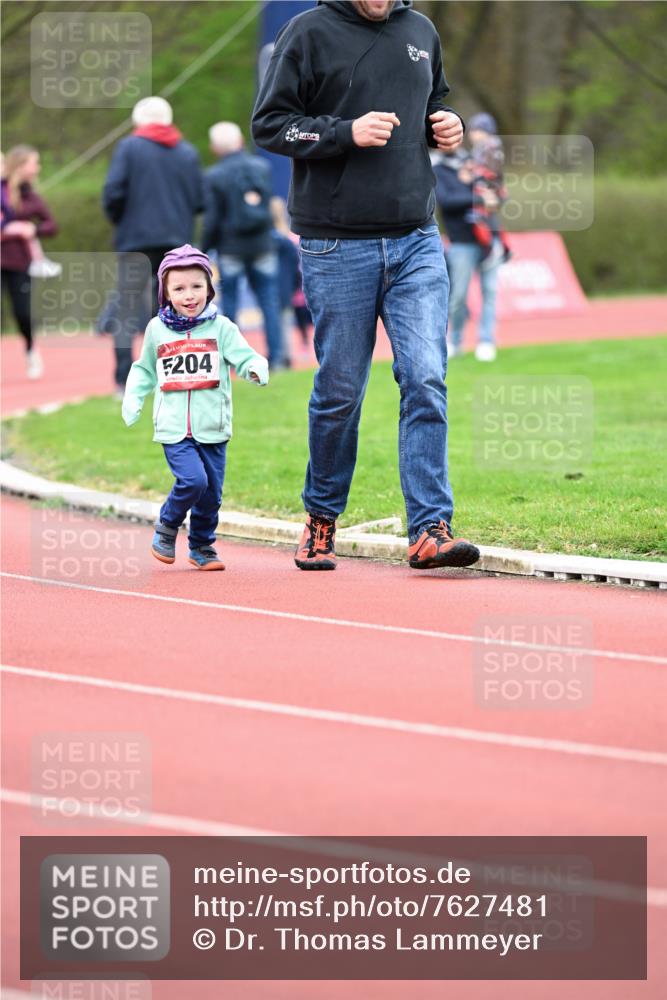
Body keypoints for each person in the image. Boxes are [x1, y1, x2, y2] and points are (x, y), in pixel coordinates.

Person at [252, 0, 480, 572]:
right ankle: (321, 519)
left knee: (426, 376)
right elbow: (270, 125)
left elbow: (434, 105)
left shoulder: (420, 30)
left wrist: (444, 125)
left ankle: (430, 528)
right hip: (336, 244)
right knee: (340, 392)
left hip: (416, 240)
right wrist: (344, 132)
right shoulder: (305, 32)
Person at [121, 245, 268, 570]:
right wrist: (133, 398)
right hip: (174, 428)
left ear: (209, 288)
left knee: (211, 495)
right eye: (179, 288)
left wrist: (255, 368)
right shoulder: (156, 331)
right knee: (193, 481)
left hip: (213, 426)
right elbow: (144, 369)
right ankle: (167, 524)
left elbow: (244, 357)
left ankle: (201, 546)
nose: (189, 295)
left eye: (197, 286)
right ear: (166, 292)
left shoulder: (222, 328)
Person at [103, 97, 204, 395]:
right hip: (176, 242)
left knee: (126, 306)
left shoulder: (129, 148)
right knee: (173, 306)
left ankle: (124, 378)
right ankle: (170, 373)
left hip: (135, 239)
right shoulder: (187, 152)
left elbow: (113, 192)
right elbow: (200, 200)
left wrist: (121, 220)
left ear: (139, 121)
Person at [201, 122, 284, 368]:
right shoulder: (262, 167)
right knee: (270, 302)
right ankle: (277, 358)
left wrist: (204, 249)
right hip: (262, 244)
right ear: (240, 141)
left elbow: (213, 218)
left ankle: (232, 359)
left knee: (232, 305)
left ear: (215, 148)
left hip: (231, 247)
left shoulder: (214, 175)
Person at [434, 112, 505, 362]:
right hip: (461, 242)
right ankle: (455, 341)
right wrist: (478, 198)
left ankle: (486, 341)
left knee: (490, 292)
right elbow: (446, 201)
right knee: (458, 297)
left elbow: (496, 196)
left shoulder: (475, 163)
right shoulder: (437, 168)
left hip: (487, 238)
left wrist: (493, 196)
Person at [1, 145, 59, 379]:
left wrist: (31, 228)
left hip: (19, 264)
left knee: (22, 312)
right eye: (34, 163)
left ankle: (30, 349)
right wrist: (11, 229)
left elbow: (51, 225)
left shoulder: (30, 197)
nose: (38, 168)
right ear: (20, 165)